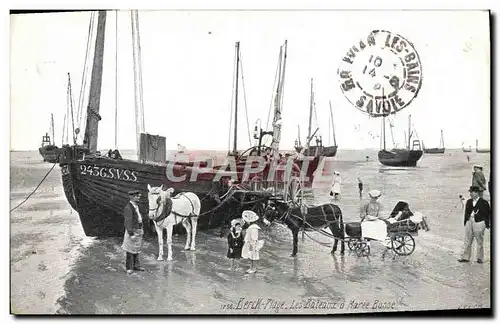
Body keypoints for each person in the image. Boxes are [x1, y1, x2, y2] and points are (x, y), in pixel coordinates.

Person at [458, 186, 491, 263]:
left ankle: (480, 258)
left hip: (479, 222)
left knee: (479, 240)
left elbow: (488, 214)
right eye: (470, 192)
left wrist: (486, 224)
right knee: (467, 239)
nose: (470, 194)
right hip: (470, 221)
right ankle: (465, 257)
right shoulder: (469, 201)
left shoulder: (484, 202)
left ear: (476, 193)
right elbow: (466, 212)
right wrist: (466, 221)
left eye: (472, 192)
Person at [121, 190, 145, 274]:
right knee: (129, 250)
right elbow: (127, 222)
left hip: (138, 230)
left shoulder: (136, 206)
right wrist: (131, 234)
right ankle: (129, 267)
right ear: (132, 197)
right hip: (133, 231)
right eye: (137, 196)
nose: (139, 197)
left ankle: (136, 266)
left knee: (136, 249)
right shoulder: (128, 208)